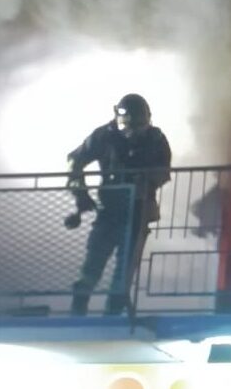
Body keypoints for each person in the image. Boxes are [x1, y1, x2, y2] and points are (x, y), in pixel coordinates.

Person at [66, 93, 171, 316]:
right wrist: (80, 193)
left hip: (138, 212)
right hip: (109, 210)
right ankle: (78, 308)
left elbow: (163, 172)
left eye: (138, 127)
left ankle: (113, 311)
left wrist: (145, 178)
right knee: (94, 261)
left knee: (125, 268)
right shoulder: (104, 135)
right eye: (129, 127)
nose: (133, 133)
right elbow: (75, 159)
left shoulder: (156, 140)